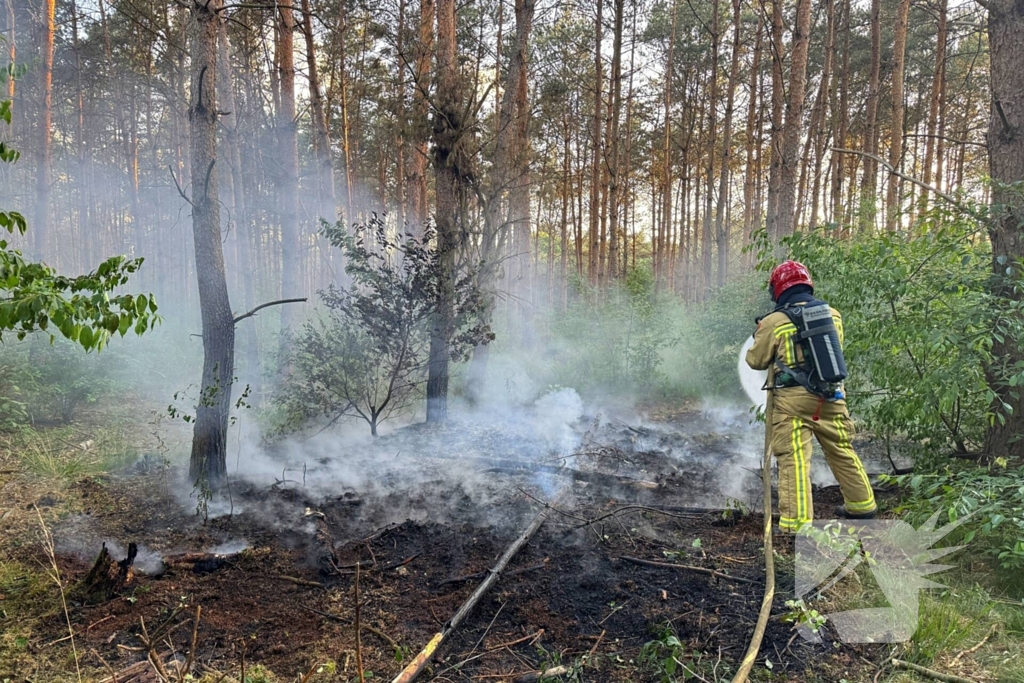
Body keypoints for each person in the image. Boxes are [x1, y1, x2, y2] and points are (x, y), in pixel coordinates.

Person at [746, 260, 876, 532]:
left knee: (793, 460)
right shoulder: (833, 314)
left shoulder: (774, 322)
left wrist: (760, 333)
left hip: (793, 403)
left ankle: (796, 526)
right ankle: (862, 506)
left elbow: (756, 361)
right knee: (842, 450)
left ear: (778, 289)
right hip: (832, 397)